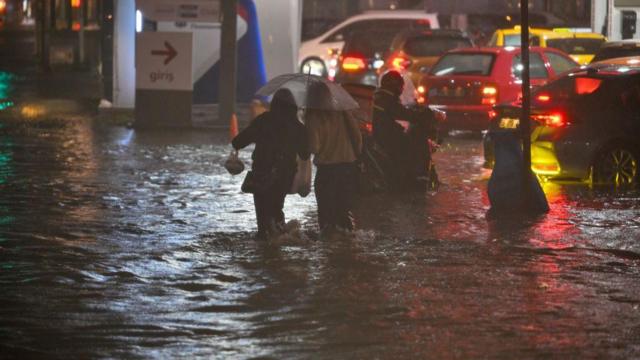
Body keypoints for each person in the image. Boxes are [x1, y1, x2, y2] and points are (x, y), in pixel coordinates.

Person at [232, 89, 310, 239]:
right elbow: (305, 154)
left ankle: (266, 248)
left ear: (274, 104)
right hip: (284, 176)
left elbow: (238, 142)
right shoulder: (297, 127)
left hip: (261, 174)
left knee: (263, 216)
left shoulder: (264, 120)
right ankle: (280, 241)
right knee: (276, 209)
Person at [305, 82, 362, 233]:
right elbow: (357, 138)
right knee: (344, 213)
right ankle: (346, 250)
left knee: (327, 219)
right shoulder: (343, 112)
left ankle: (330, 251)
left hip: (327, 172)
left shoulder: (313, 116)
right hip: (348, 168)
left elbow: (314, 147)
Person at [372, 70, 438, 188]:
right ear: (396, 86)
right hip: (387, 137)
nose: (402, 89)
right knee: (413, 141)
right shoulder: (387, 99)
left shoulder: (380, 96)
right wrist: (425, 114)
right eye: (401, 86)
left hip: (385, 133)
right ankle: (417, 177)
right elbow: (405, 114)